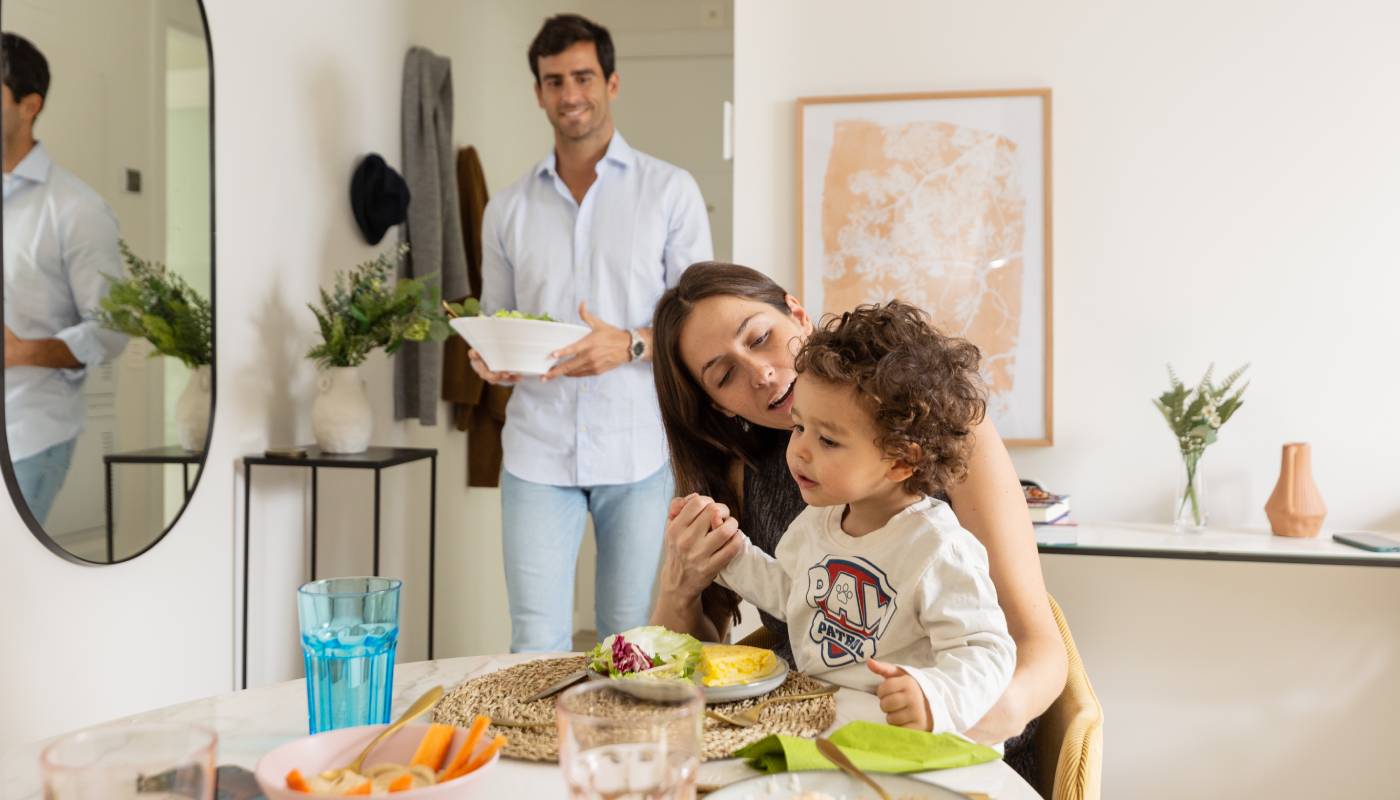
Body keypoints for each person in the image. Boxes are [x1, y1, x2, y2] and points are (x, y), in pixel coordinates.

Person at [649, 263, 1066, 772]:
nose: (761, 373)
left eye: (761, 338)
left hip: (944, 741)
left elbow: (1032, 647)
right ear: (713, 403)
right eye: (725, 375)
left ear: (796, 313)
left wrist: (942, 713)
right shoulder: (763, 487)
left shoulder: (947, 440)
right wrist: (685, 582)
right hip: (819, 740)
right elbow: (701, 660)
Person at [468, 14, 712, 652]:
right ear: (539, 93)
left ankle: (618, 754)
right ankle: (536, 752)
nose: (569, 93)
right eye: (554, 81)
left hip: (636, 448)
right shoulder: (508, 209)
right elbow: (499, 318)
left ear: (612, 82)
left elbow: (701, 325)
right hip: (536, 450)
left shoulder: (670, 192)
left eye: (582, 77)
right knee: (533, 639)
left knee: (629, 639)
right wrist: (488, 358)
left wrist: (629, 343)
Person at [714, 301, 1015, 736]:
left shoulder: (937, 547)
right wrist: (732, 553)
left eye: (828, 440)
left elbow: (987, 649)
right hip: (826, 727)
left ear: (900, 461)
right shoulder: (818, 523)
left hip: (914, 745)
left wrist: (933, 695)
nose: (799, 450)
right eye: (799, 428)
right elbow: (794, 598)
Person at [2, 32, 125, 524]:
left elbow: (112, 329)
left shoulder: (76, 209)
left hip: (29, 438)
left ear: (29, 105)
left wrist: (20, 352)